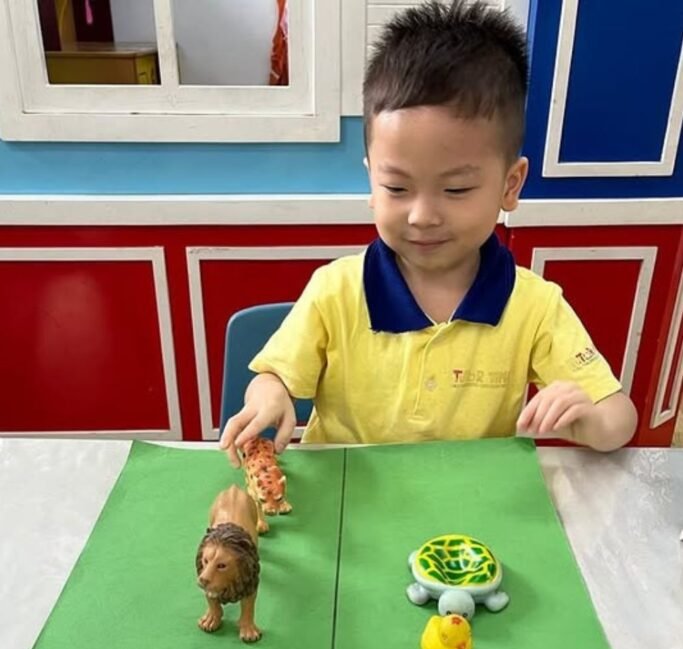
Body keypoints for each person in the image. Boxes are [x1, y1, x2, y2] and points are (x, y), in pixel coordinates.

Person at [220, 0, 637, 467]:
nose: (422, 216)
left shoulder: (534, 306)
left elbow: (619, 418)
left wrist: (589, 420)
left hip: (466, 500)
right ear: (372, 181)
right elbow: (272, 376)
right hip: (348, 496)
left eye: (456, 189)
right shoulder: (334, 290)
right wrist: (270, 392)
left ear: (510, 185)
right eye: (397, 188)